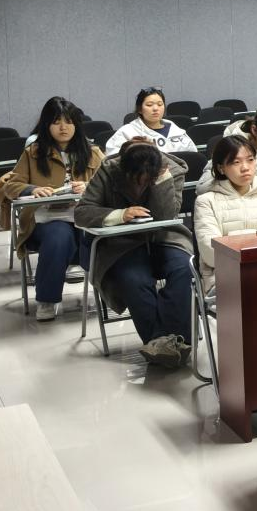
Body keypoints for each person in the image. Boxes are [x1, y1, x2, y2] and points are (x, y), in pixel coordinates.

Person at [74, 140, 193, 367]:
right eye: (135, 177)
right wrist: (121, 214)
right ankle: (161, 343)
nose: (141, 183)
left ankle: (173, 342)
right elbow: (82, 212)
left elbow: (166, 216)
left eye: (147, 179)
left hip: (165, 237)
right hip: (122, 242)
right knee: (134, 279)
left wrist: (161, 181)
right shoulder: (109, 170)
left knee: (183, 268)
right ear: (123, 168)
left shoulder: (172, 170)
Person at [3, 97, 104, 321]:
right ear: (46, 125)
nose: (63, 127)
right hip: (46, 220)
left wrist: (89, 186)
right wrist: (33, 189)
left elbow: (111, 183)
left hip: (84, 217)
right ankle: (47, 300)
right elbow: (10, 186)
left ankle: (111, 293)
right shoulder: (33, 152)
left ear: (76, 124)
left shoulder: (92, 152)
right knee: (59, 236)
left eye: (68, 121)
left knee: (101, 237)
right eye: (56, 122)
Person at [192, 136, 257, 291]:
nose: (245, 167)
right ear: (221, 168)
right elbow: (211, 254)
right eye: (236, 162)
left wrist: (231, 239)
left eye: (250, 160)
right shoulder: (206, 201)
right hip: (224, 279)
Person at [105, 87, 195, 155]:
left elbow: (193, 156)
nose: (155, 108)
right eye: (149, 105)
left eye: (160, 104)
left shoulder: (177, 131)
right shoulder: (127, 132)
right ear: (140, 109)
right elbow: (113, 158)